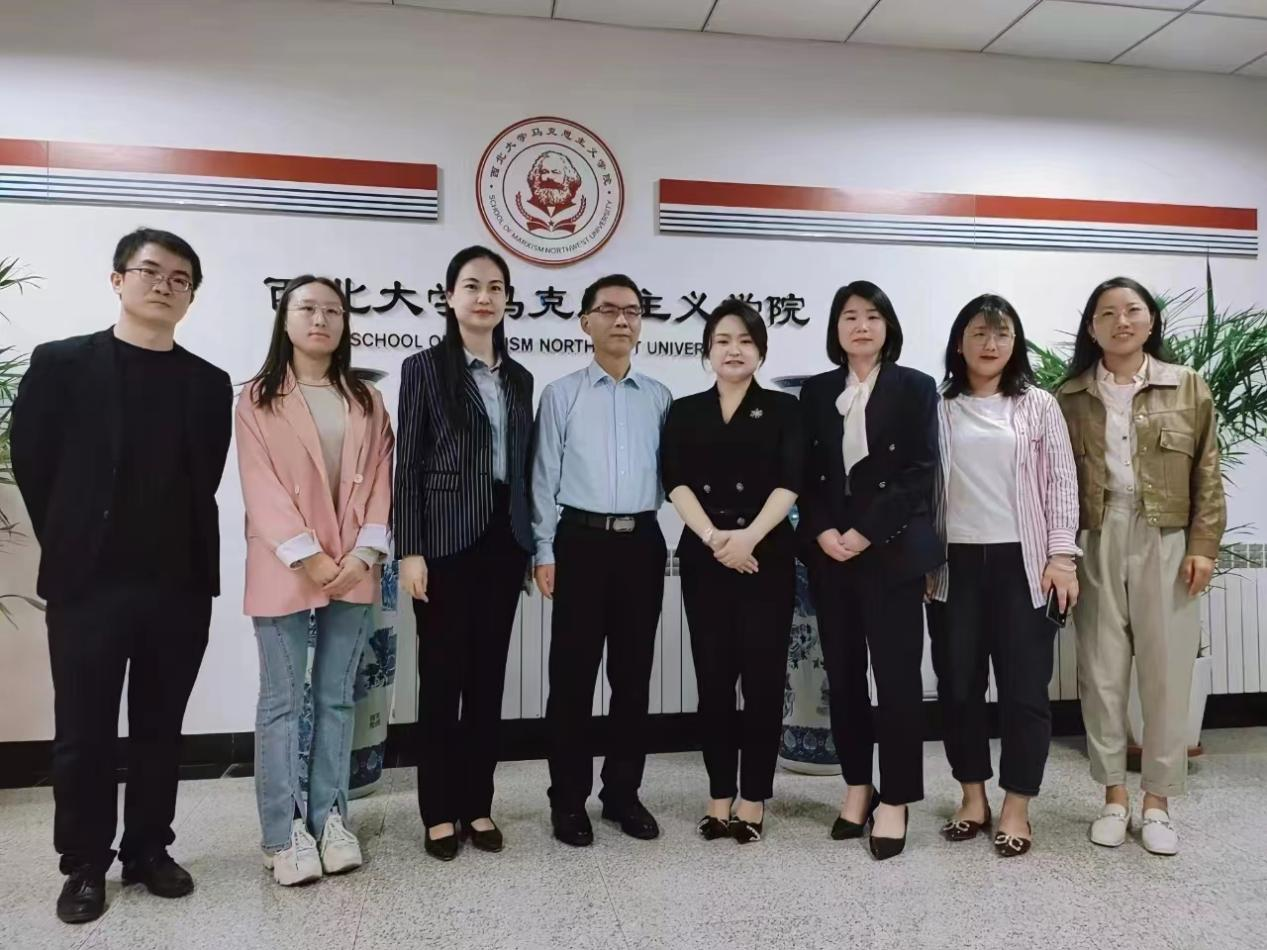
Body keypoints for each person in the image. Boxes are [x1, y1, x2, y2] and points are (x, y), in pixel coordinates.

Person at [10, 228, 231, 923]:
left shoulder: (208, 383)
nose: (164, 285)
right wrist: (70, 538)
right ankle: (84, 863)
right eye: (150, 271)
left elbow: (205, 476)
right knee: (85, 732)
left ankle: (147, 849)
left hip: (179, 584)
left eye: (180, 278)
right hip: (89, 584)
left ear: (191, 297)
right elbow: (32, 461)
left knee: (161, 727)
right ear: (117, 280)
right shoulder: (63, 364)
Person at [1056, 277, 1224, 856]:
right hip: (1095, 534)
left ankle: (1157, 804)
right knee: (1101, 672)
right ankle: (1113, 797)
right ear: (1092, 327)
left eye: (1132, 311)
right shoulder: (1068, 396)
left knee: (1166, 673)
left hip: (1166, 537)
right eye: (1107, 313)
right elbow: (1055, 481)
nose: (1121, 321)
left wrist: (1204, 545)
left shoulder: (1187, 385)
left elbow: (1207, 470)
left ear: (1151, 322)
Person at [236, 275, 393, 885]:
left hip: (353, 562)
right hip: (285, 564)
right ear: (285, 319)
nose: (321, 319)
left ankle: (331, 819)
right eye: (307, 308)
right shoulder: (256, 398)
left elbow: (381, 479)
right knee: (281, 702)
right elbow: (261, 487)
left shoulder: (366, 399)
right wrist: (308, 557)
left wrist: (364, 551)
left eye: (332, 310)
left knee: (335, 697)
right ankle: (282, 835)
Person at [926, 294, 1080, 858]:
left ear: (1015, 343)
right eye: (979, 333)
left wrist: (1061, 557)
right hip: (953, 567)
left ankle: (1017, 806)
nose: (990, 344)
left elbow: (1062, 482)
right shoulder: (936, 406)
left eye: (1002, 334)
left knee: (1024, 691)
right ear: (959, 342)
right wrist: (921, 561)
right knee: (958, 687)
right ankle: (973, 798)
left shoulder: (1038, 404)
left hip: (1025, 565)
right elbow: (919, 488)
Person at [395, 246, 534, 861]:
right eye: (472, 285)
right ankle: (438, 812)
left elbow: (525, 468)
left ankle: (478, 804)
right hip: (445, 545)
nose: (484, 297)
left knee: (487, 681)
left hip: (504, 542)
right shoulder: (424, 369)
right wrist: (410, 550)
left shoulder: (520, 378)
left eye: (496, 287)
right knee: (441, 681)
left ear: (506, 301)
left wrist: (532, 543)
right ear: (449, 297)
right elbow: (408, 466)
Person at [798, 280, 940, 860]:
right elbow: (806, 473)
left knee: (898, 680)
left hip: (891, 552)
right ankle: (857, 786)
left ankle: (896, 798)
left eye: (873, 316)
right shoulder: (817, 391)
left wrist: (864, 531)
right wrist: (823, 531)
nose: (861, 326)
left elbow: (919, 471)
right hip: (832, 556)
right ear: (835, 328)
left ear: (888, 327)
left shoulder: (915, 387)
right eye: (850, 316)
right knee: (845, 678)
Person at [532, 274, 672, 847]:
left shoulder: (659, 396)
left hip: (642, 542)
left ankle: (622, 794)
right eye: (609, 309)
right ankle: (568, 800)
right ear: (585, 321)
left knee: (633, 677)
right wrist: (544, 549)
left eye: (632, 311)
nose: (621, 319)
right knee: (572, 678)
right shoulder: (561, 394)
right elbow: (542, 478)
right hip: (580, 543)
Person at [660, 300, 801, 844]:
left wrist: (747, 539)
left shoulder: (784, 409)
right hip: (706, 557)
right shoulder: (685, 411)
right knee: (714, 681)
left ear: (760, 351)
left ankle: (753, 797)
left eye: (745, 341)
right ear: (707, 352)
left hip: (765, 557)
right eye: (722, 341)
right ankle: (719, 794)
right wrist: (716, 539)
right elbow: (675, 481)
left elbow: (790, 482)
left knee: (763, 682)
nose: (733, 350)